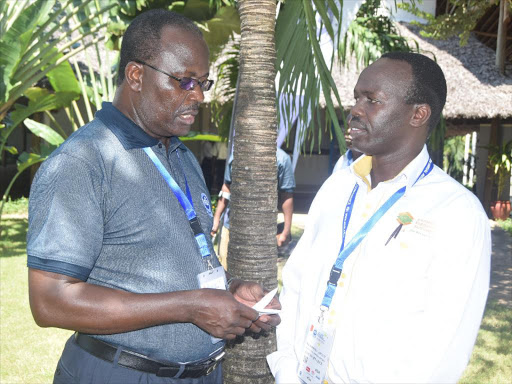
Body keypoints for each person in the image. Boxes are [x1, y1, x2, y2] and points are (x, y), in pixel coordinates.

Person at [27, 10, 279, 384]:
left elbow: (173, 262)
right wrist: (189, 307)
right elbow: (49, 301)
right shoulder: (83, 162)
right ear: (135, 75)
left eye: (202, 83)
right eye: (184, 81)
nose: (198, 97)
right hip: (121, 373)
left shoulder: (180, 156)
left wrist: (231, 290)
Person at [267, 52, 491, 383]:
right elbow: (297, 286)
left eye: (373, 101)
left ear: (418, 114)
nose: (355, 109)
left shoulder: (456, 212)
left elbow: (443, 350)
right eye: (357, 97)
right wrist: (287, 371)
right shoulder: (338, 186)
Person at [211, 147, 296, 268]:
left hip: (263, 233)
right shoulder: (238, 153)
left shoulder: (281, 158)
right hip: (232, 228)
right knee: (226, 272)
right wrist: (216, 218)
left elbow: (287, 195)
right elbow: (227, 187)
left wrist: (286, 231)